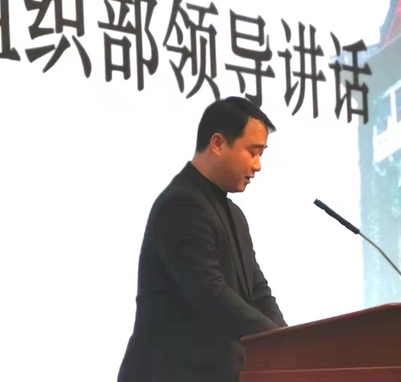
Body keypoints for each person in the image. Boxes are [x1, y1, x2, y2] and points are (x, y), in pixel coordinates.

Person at [117, 96, 287, 382]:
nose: (258, 165)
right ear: (217, 144)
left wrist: (290, 341)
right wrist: (275, 341)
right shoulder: (181, 204)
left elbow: (258, 291)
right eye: (253, 152)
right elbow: (210, 293)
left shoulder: (234, 214)